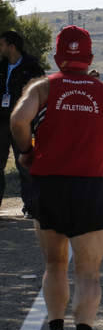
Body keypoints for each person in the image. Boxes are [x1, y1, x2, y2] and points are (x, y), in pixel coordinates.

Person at [10, 26, 103, 330]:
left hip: (48, 185)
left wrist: (25, 150)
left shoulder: (42, 87)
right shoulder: (102, 92)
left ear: (57, 56)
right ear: (89, 57)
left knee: (55, 264)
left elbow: (19, 120)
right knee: (89, 272)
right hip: (89, 187)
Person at [0, 30, 45, 216]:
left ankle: (31, 207)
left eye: (2, 44)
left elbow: (42, 94)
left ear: (12, 46)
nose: (0, 48)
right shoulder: (1, 66)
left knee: (25, 165)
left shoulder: (32, 67)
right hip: (1, 122)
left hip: (23, 124)